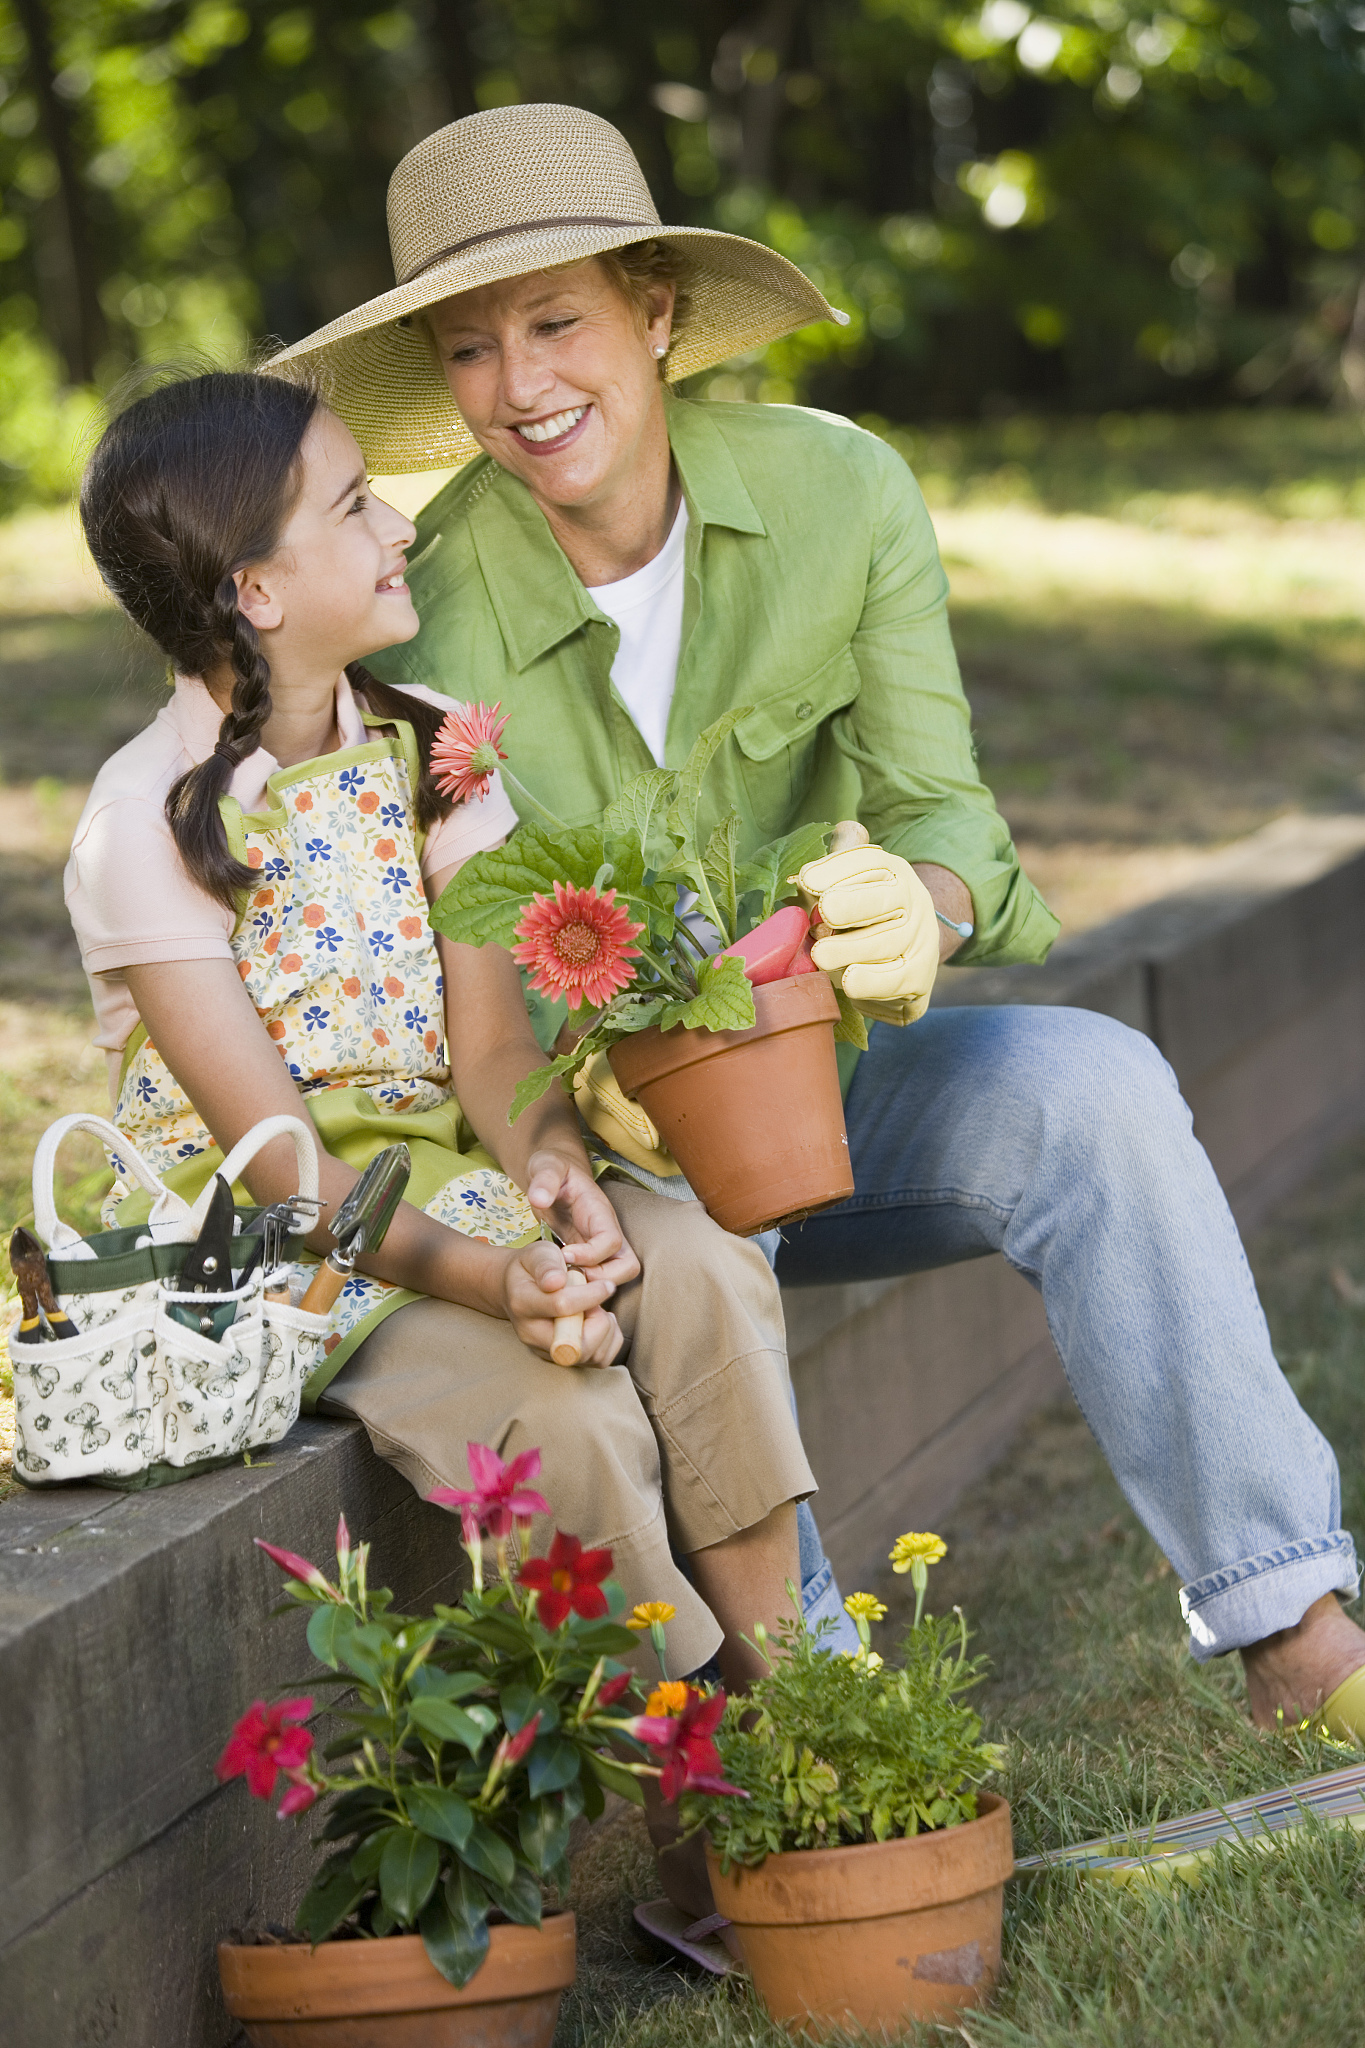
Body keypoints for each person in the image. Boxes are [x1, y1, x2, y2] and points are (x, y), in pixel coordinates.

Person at [271, 100, 1365, 1738]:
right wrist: (589, 1099)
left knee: (1098, 1092)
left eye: (557, 320)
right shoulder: (419, 622)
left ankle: (1296, 1634)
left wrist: (914, 906)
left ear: (653, 312)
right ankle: (827, 1731)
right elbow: (455, 994)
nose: (522, 386)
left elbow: (950, 821)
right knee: (696, 1247)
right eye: (472, 347)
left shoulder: (841, 492)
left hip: (835, 1079)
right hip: (622, 1140)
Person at [64, 366, 828, 1702]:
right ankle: (689, 1801)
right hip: (282, 1245)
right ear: (258, 589)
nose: (401, 525)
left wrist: (557, 1179)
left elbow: (490, 1057)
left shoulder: (434, 761)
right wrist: (499, 1279)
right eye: (356, 505)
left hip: (458, 1183)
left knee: (699, 1266)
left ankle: (797, 1701)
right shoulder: (145, 824)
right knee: (560, 1409)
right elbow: (280, 1168)